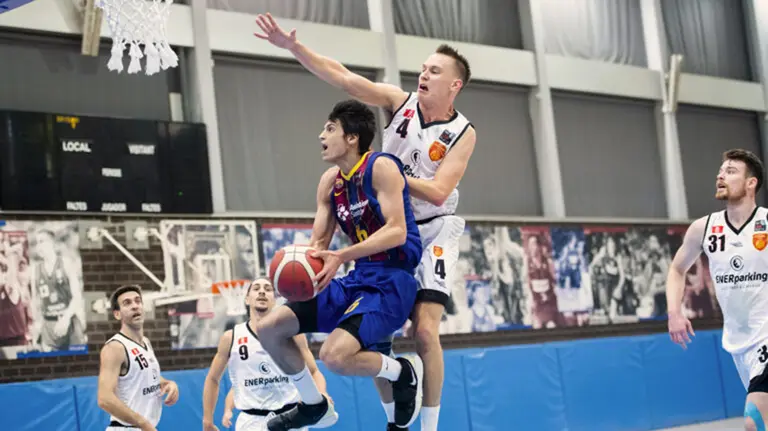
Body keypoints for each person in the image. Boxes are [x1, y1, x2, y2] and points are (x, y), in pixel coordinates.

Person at [254, 13, 477, 431]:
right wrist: (293, 48)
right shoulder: (398, 104)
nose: (423, 74)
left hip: (429, 227)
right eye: (423, 68)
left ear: (454, 85)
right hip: (380, 232)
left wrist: (378, 172)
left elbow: (438, 191)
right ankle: (391, 420)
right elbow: (343, 77)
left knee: (424, 333)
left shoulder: (462, 132)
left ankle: (429, 425)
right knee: (371, 338)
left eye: (434, 70)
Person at [255, 99, 424, 430]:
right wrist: (297, 272)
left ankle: (403, 372)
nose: (321, 135)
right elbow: (319, 245)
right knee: (269, 328)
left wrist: (343, 256)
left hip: (392, 282)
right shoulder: (330, 182)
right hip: (357, 279)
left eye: (330, 128)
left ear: (352, 137)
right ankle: (313, 404)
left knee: (334, 356)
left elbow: (397, 231)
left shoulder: (381, 167)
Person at [667, 149, 768, 431]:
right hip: (739, 342)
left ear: (751, 183)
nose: (720, 176)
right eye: (720, 171)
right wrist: (674, 312)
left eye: (731, 171)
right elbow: (676, 270)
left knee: (754, 421)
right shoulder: (704, 228)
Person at [202, 277, 333, 431]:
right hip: (251, 422)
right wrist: (208, 420)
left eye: (268, 289)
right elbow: (212, 379)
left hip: (291, 419)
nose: (262, 292)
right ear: (247, 299)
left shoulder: (292, 333)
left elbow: (314, 371)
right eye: (256, 288)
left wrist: (322, 393)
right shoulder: (231, 337)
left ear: (274, 300)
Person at [97, 285, 179, 431]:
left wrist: (168, 383)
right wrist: (142, 423)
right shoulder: (115, 348)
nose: (135, 306)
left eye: (137, 301)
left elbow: (146, 376)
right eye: (127, 303)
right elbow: (104, 398)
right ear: (117, 314)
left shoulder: (146, 342)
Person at [32, 228, 86, 351]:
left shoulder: (66, 263)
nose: (39, 246)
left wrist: (66, 319)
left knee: (78, 358)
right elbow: (35, 302)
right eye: (37, 242)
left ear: (52, 243)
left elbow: (77, 296)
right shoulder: (35, 270)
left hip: (69, 321)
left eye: (42, 241)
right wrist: (37, 326)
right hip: (49, 326)